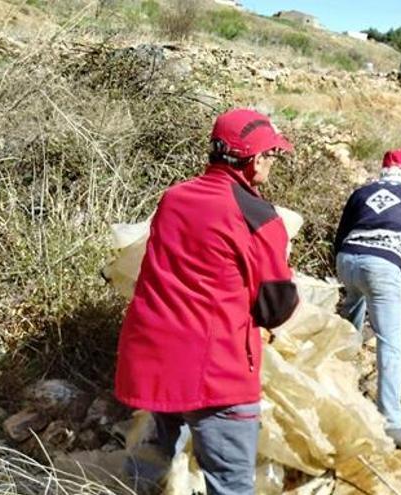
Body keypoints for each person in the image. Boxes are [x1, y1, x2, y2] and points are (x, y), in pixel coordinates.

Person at [115, 108, 299, 495]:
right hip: (216, 373)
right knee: (230, 484)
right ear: (250, 160)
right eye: (268, 154)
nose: (270, 162)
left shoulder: (174, 197)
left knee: (151, 470)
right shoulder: (258, 216)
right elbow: (274, 308)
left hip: (154, 358)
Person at [334, 150, 401, 449]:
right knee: (391, 343)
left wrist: (341, 267)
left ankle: (339, 380)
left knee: (351, 317)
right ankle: (392, 424)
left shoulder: (362, 192)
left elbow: (341, 232)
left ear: (382, 171)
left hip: (347, 260)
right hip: (381, 267)